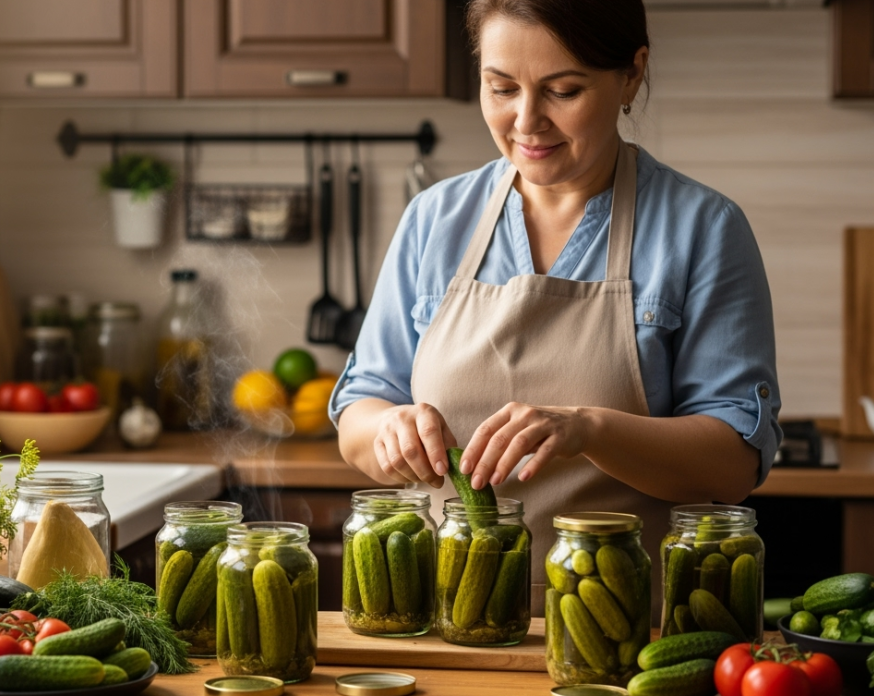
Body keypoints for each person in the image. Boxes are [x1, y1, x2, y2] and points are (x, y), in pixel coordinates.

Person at [329, 0, 781, 614]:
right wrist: (388, 429)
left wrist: (589, 429)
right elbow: (359, 410)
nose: (526, 121)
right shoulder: (434, 219)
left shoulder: (703, 228)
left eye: (563, 91)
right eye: (501, 88)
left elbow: (733, 465)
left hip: (630, 630)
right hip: (447, 624)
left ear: (632, 74)